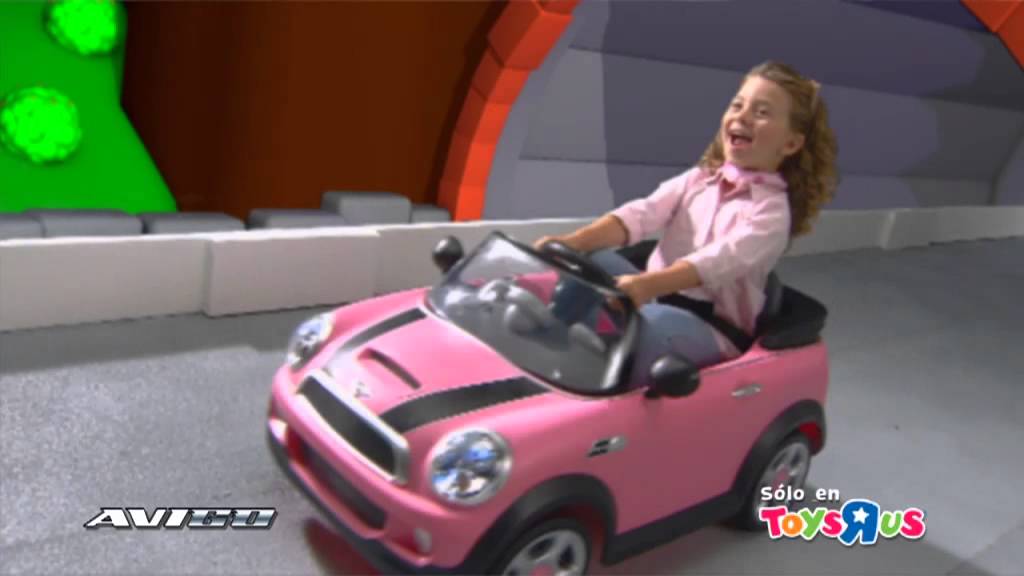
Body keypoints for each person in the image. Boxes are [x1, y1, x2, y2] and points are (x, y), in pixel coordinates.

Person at [535, 61, 838, 372]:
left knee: (654, 323)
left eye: (761, 112)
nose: (743, 116)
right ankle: (551, 334)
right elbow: (643, 213)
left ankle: (603, 365)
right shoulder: (699, 179)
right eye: (737, 105)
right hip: (654, 299)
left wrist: (646, 285)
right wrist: (573, 242)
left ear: (790, 143)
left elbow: (717, 261)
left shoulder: (772, 214)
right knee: (593, 261)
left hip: (710, 328)